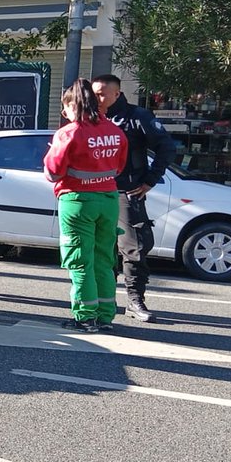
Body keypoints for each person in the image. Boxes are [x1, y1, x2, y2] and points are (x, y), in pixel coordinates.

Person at [43, 79, 128, 332]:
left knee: (80, 261)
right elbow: (119, 167)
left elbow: (53, 172)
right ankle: (105, 315)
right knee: (104, 260)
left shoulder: (69, 132)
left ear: (73, 104)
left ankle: (85, 316)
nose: (63, 113)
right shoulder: (115, 131)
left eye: (65, 107)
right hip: (109, 200)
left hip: (78, 201)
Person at [91, 74, 177, 322]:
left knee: (134, 249)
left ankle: (135, 300)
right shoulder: (92, 118)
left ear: (117, 94)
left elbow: (166, 147)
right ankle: (101, 300)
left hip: (125, 192)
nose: (97, 98)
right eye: (94, 93)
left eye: (101, 93)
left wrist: (150, 180)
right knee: (100, 249)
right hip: (96, 191)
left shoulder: (137, 116)